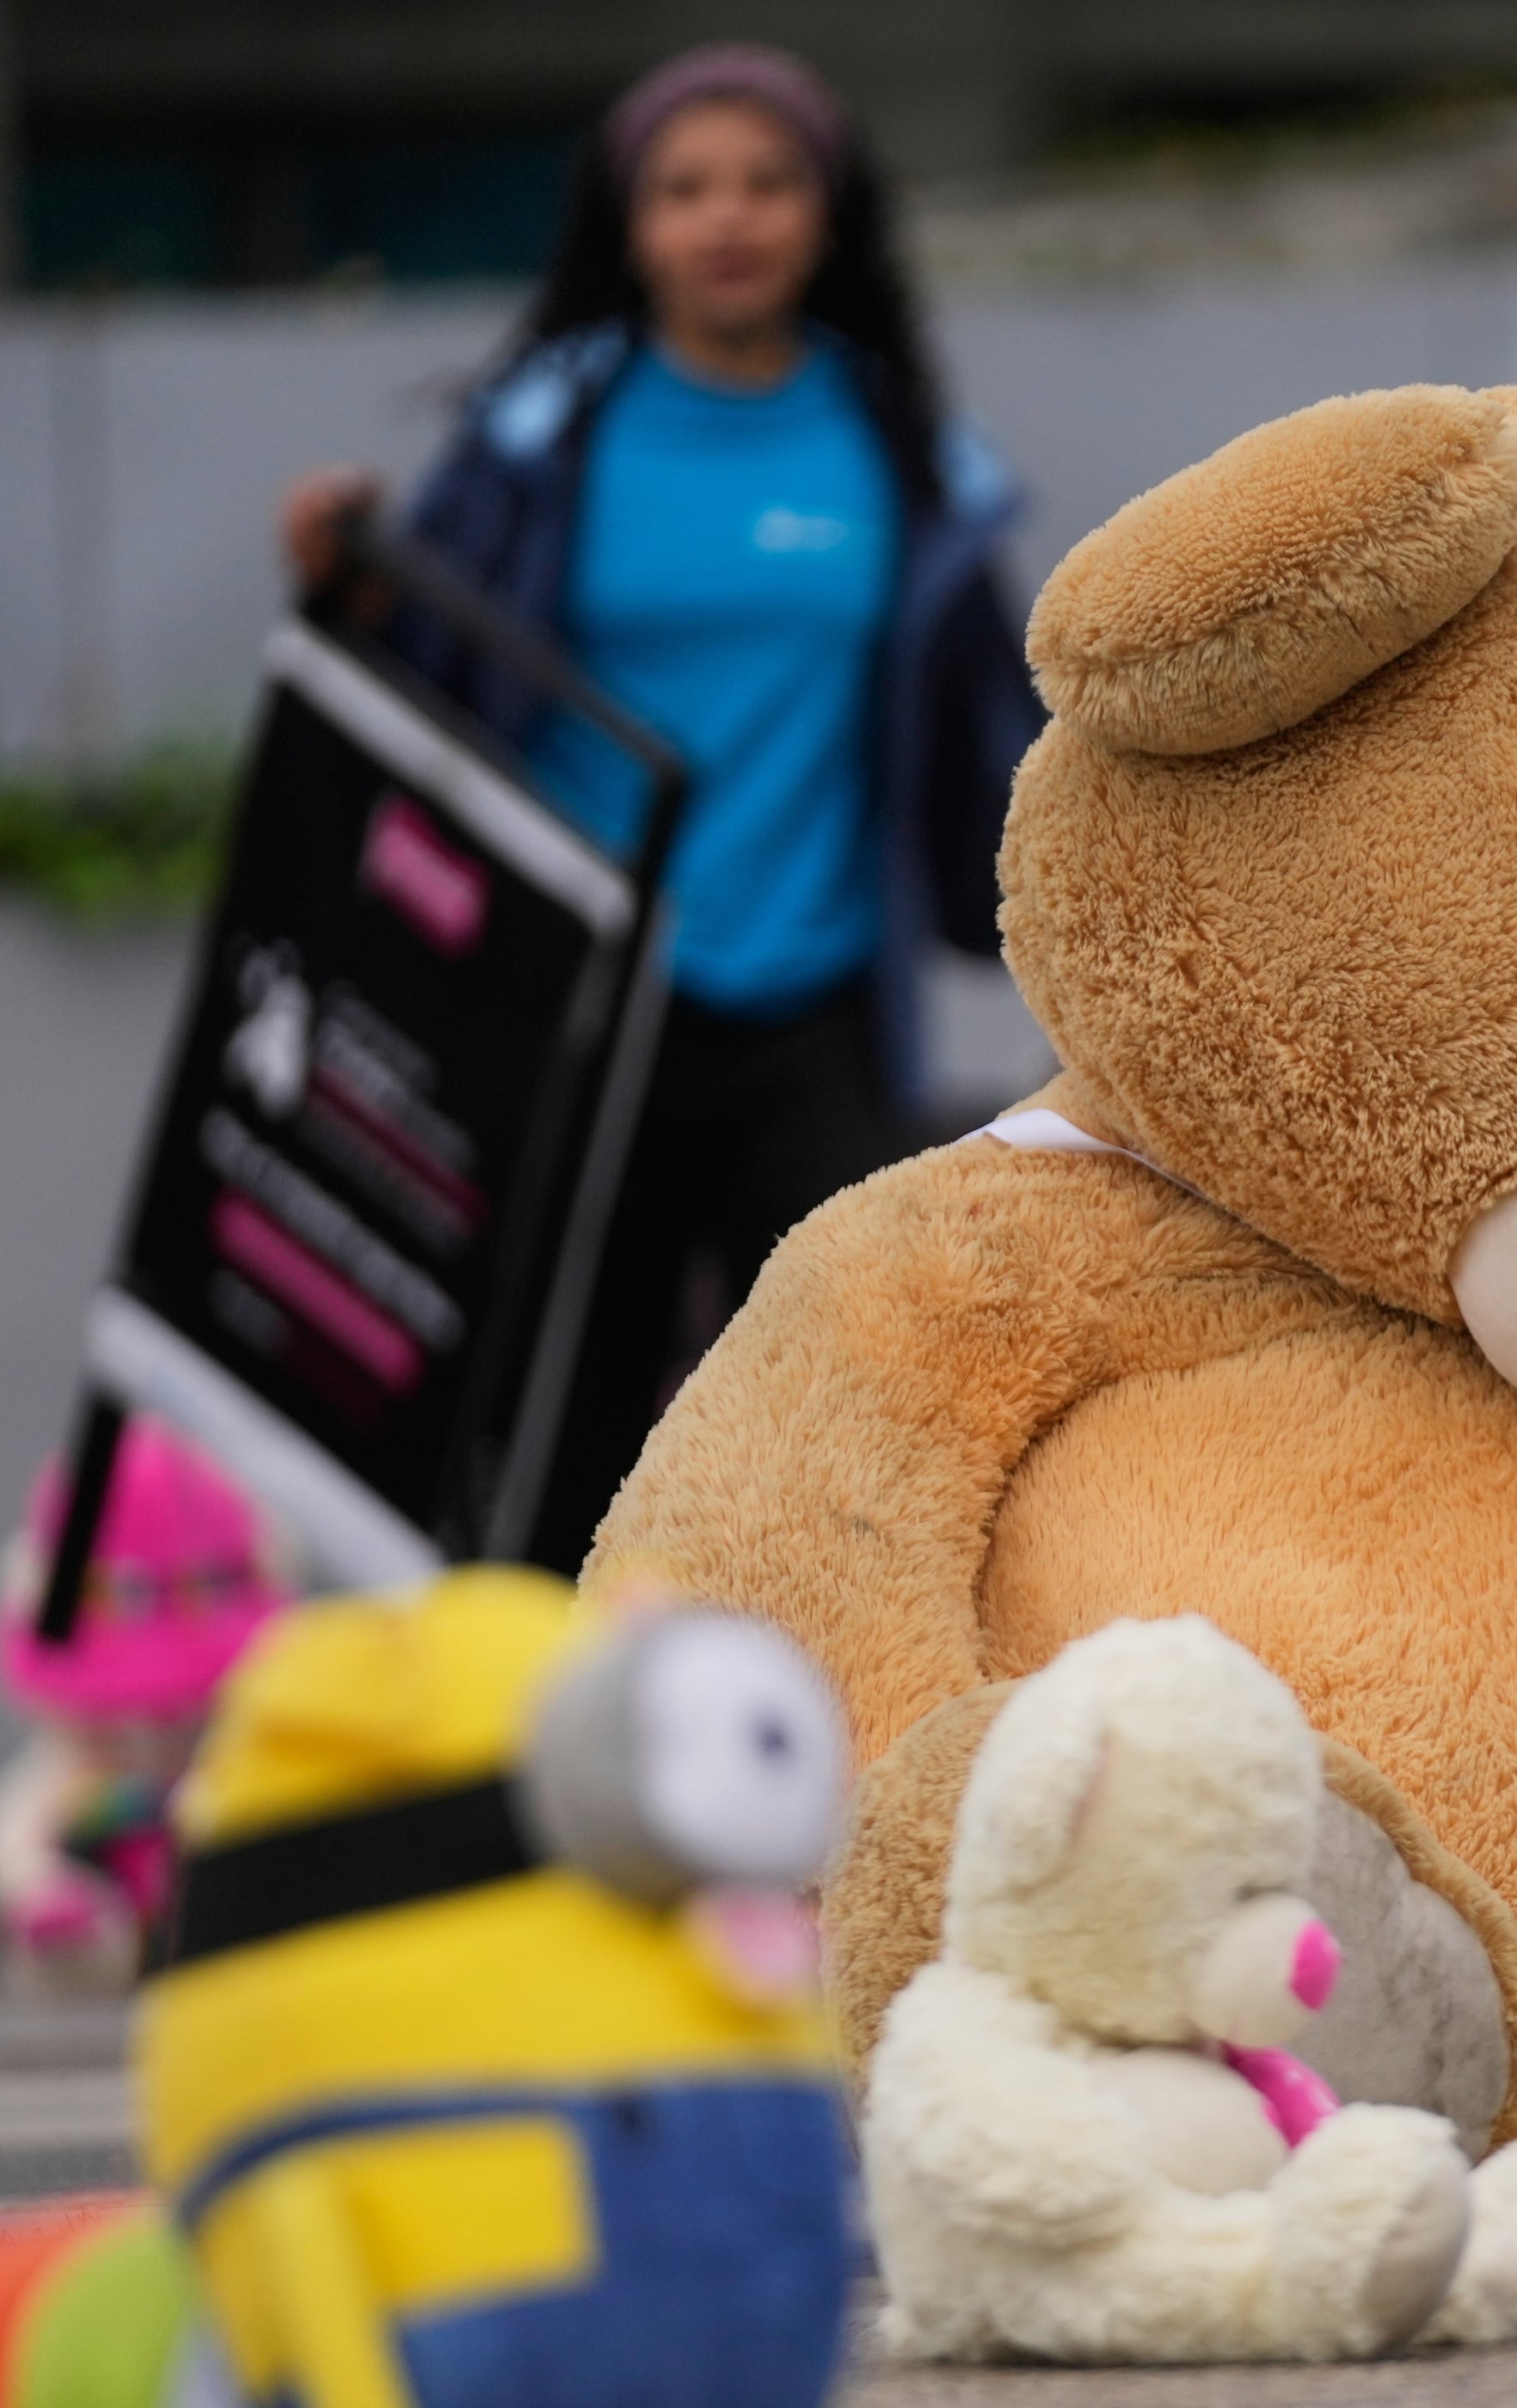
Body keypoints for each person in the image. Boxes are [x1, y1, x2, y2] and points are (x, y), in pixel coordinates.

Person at [279, 43, 1041, 1572]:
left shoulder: (903, 456)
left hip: (819, 1016)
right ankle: (545, 1776)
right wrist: (340, 590)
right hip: (581, 1016)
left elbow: (997, 738)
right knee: (566, 1438)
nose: (728, 218)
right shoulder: (536, 441)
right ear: (628, 224)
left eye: (768, 183)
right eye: (686, 188)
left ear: (829, 217)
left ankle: (830, 1778)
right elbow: (418, 668)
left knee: (844, 1432)